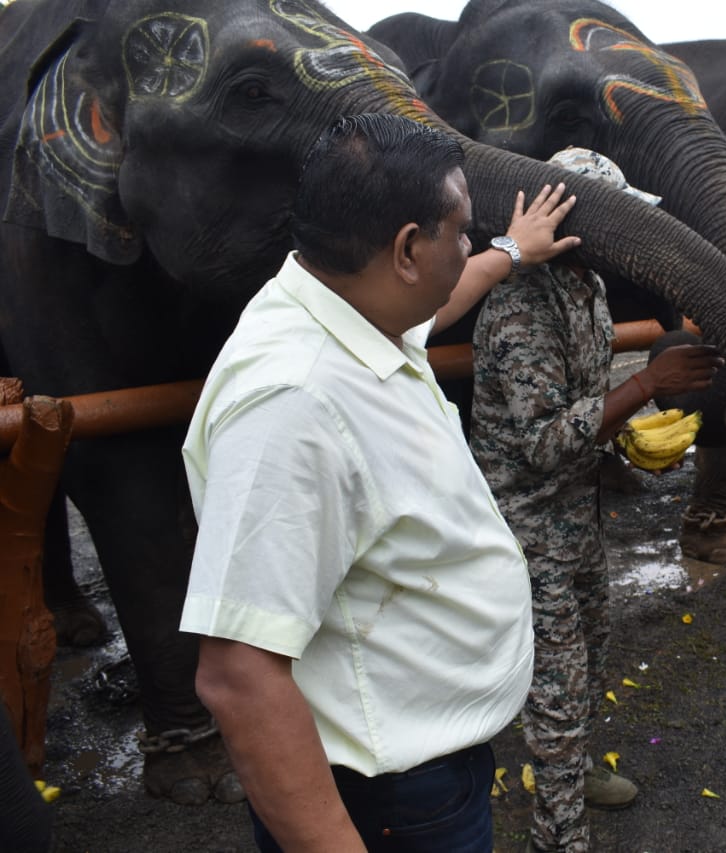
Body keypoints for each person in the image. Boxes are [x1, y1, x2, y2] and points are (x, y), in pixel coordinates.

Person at [178, 114, 581, 852]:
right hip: (387, 803)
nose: (469, 246)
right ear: (405, 249)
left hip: (426, 772)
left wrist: (508, 253)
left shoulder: (351, 310)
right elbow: (238, 674)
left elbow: (440, 304)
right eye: (461, 232)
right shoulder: (293, 404)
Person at [469, 147, 722, 853]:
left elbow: (586, 403)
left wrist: (639, 416)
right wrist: (645, 385)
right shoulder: (519, 304)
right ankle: (560, 834)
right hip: (527, 521)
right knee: (555, 682)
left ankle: (571, 771)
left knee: (590, 653)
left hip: (578, 510)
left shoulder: (589, 289)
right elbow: (543, 443)